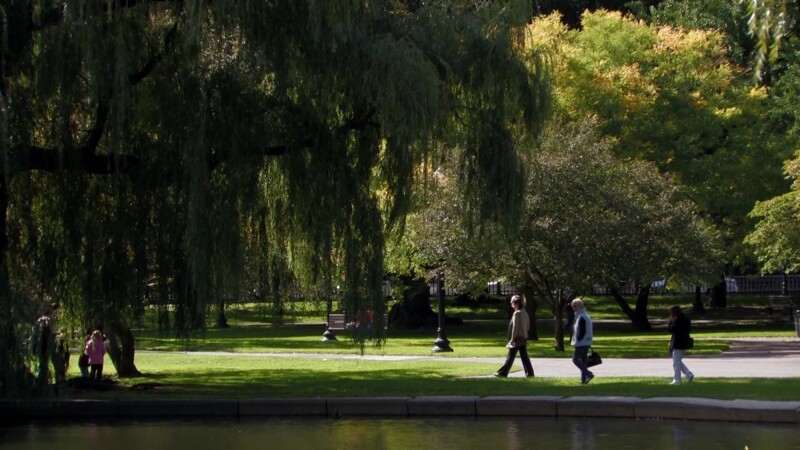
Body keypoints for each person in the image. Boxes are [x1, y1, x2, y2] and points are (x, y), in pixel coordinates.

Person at [494, 295, 535, 378]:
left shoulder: (517, 313)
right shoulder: (525, 312)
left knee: (510, 356)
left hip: (516, 338)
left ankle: (503, 373)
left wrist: (512, 339)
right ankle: (530, 373)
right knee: (524, 356)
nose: (511, 304)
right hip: (523, 337)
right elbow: (528, 326)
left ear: (516, 303)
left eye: (512, 302)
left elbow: (514, 328)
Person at [668, 305, 694, 385]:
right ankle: (688, 374)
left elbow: (671, 330)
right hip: (684, 341)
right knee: (677, 361)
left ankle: (677, 379)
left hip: (677, 342)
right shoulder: (686, 319)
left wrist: (671, 321)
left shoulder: (676, 320)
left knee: (676, 362)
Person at [570, 298, 594, 384]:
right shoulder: (584, 315)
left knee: (575, 359)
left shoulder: (582, 316)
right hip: (586, 341)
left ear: (580, 306)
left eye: (575, 306)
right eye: (572, 306)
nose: (573, 308)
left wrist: (578, 340)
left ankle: (588, 374)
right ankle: (584, 379)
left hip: (582, 342)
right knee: (583, 360)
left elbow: (581, 331)